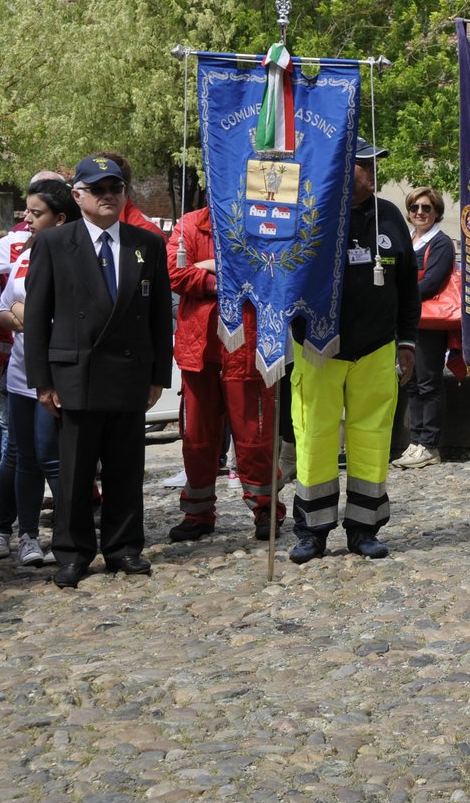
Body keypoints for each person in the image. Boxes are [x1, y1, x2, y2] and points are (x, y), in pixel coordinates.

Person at [25, 156, 172, 588]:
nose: (109, 196)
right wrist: (43, 381)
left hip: (129, 373)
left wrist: (158, 375)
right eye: (98, 189)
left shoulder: (146, 243)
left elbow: (161, 316)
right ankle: (72, 552)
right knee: (74, 471)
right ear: (78, 195)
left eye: (116, 188)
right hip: (76, 375)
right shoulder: (54, 243)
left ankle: (124, 547)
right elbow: (36, 318)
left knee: (126, 467)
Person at [289, 139, 418, 564]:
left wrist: (408, 341)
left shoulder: (391, 216)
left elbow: (408, 287)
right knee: (315, 439)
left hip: (377, 349)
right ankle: (313, 531)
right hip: (318, 348)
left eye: (374, 164)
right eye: (364, 164)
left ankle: (364, 528)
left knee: (372, 439)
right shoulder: (310, 213)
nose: (371, 170)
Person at [164, 200, 283, 543]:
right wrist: (223, 277)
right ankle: (198, 513)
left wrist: (209, 267)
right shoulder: (189, 224)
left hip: (245, 346)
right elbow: (174, 273)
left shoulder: (261, 222)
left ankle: (266, 508)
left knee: (254, 436)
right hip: (198, 349)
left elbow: (268, 271)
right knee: (197, 438)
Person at [0, 180, 79, 566]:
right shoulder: (25, 254)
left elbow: (73, 317)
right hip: (22, 371)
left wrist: (32, 317)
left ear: (59, 219)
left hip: (57, 374)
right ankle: (27, 536)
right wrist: (18, 317)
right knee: (23, 455)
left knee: (50, 455)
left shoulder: (76, 255)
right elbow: (7, 311)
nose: (26, 219)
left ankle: (72, 533)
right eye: (26, 211)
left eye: (35, 214)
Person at [392, 186, 454, 471]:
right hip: (408, 321)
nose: (420, 212)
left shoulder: (440, 243)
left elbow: (431, 282)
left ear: (436, 212)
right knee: (412, 382)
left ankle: (430, 443)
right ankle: (416, 440)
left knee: (429, 381)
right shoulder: (409, 240)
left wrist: (399, 300)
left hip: (428, 322)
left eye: (426, 208)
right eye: (415, 208)